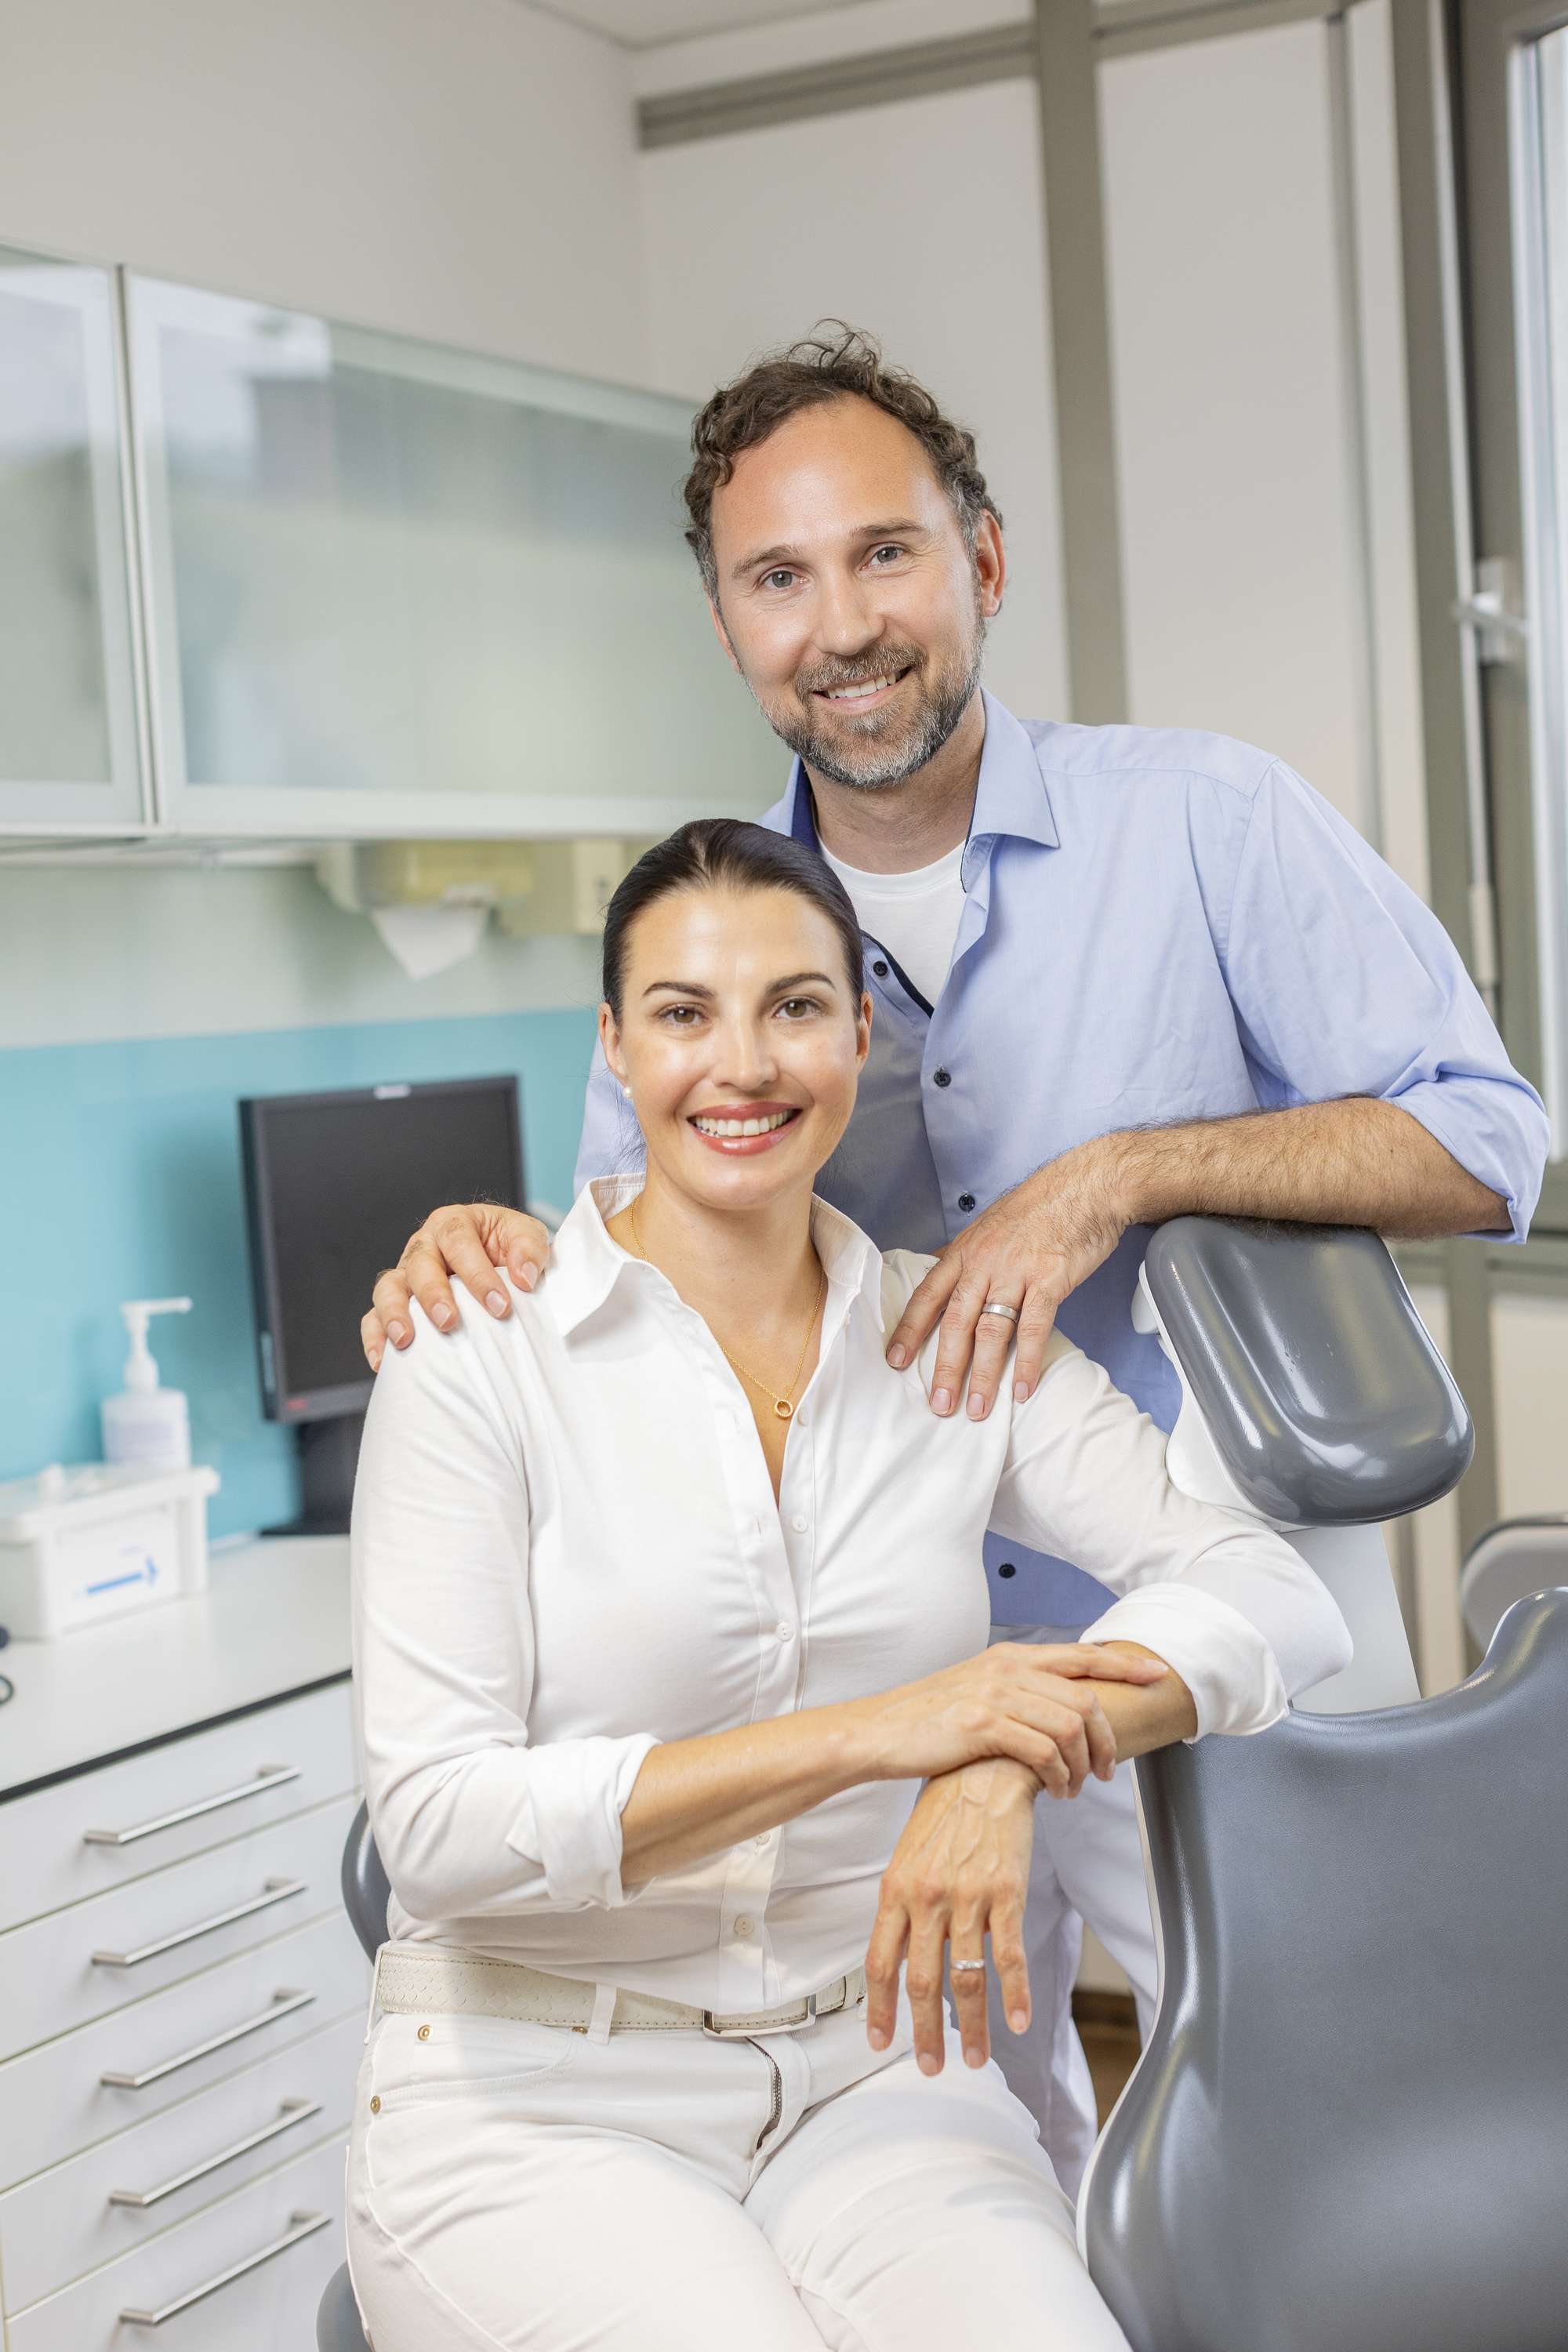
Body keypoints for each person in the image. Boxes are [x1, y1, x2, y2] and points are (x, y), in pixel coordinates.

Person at [358, 325, 1549, 2190]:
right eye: (778, 577)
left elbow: (1487, 1143)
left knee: (1332, 2137)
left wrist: (1119, 1176)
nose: (841, 625)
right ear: (727, 621)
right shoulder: (715, 930)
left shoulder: (1206, 822)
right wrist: (481, 1241)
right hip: (881, 1683)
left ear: (980, 560)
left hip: (1187, 1619)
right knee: (972, 2155)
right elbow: (635, 1272)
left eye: (884, 554)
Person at [347, 821, 1352, 2352]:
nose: (741, 1064)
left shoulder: (946, 1338)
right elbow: (438, 1829)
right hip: (540, 2097)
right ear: (615, 1046)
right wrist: (895, 1731)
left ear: (860, 1034)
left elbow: (1272, 1595)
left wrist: (997, 1761)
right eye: (683, 1012)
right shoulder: (481, 1352)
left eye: (795, 1006)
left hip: (878, 2080)